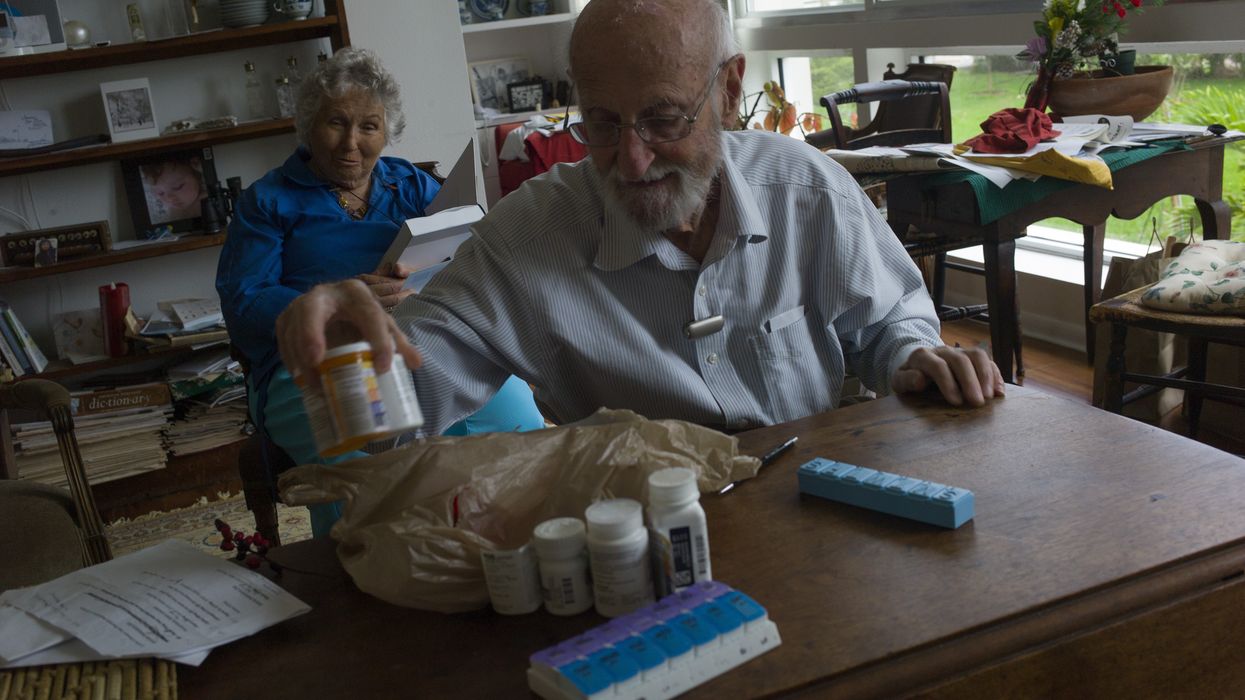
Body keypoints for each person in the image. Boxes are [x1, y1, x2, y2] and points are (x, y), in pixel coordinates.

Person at [275, 0, 1003, 441]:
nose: (630, 160)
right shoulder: (526, 240)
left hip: (823, 511)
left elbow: (885, 324)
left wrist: (913, 356)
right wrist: (343, 361)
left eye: (661, 119)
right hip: (646, 546)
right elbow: (383, 422)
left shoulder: (803, 187)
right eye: (600, 122)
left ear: (727, 89)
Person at [216, 48, 545, 536]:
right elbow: (244, 303)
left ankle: (504, 540)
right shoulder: (268, 201)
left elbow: (465, 257)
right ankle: (359, 572)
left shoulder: (409, 183)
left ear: (386, 132)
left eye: (369, 126)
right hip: (319, 357)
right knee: (370, 464)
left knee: (516, 419)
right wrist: (339, 302)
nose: (351, 143)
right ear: (309, 124)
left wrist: (431, 287)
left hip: (423, 339)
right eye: (336, 123)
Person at [142, 159, 207, 223]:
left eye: (177, 187)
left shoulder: (205, 198)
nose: (169, 199)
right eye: (160, 193)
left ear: (197, 176)